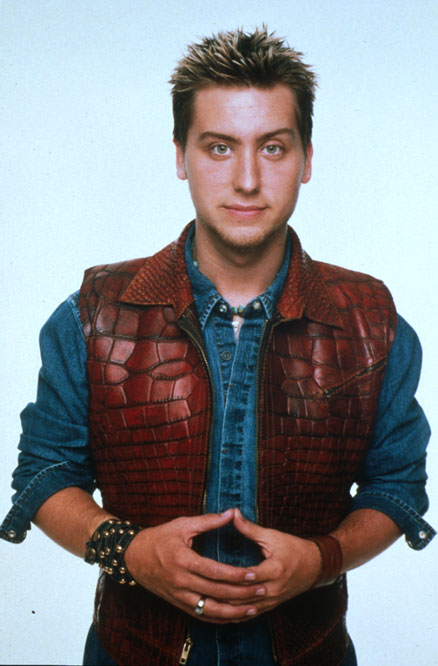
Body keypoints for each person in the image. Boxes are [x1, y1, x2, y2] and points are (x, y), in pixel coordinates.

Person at [1, 26, 434, 666]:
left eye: (274, 147)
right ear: (181, 156)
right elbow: (45, 474)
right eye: (220, 147)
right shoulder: (92, 313)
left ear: (307, 159)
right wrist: (130, 551)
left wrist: (322, 560)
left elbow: (395, 486)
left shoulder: (371, 320)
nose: (248, 179)